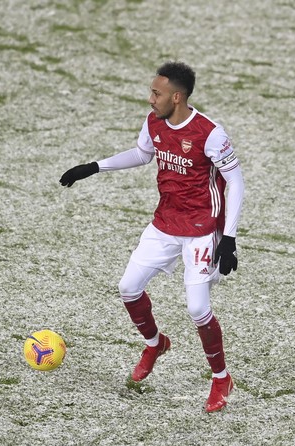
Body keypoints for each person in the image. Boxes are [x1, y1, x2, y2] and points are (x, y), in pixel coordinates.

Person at [59, 61, 245, 413]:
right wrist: (94, 167)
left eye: (156, 93)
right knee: (128, 287)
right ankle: (155, 343)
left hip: (201, 230)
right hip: (164, 224)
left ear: (177, 97)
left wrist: (229, 237)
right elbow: (144, 154)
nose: (150, 99)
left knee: (197, 308)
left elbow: (235, 181)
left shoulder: (210, 133)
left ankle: (221, 378)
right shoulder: (154, 122)